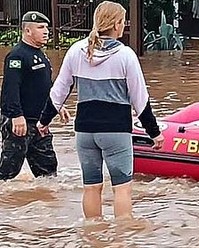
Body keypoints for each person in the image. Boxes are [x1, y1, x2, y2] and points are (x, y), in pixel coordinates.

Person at [38, 1, 164, 220]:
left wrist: (43, 121)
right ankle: (121, 238)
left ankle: (92, 236)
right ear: (116, 24)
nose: (123, 26)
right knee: (121, 189)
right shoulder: (125, 56)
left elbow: (59, 91)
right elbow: (140, 100)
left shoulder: (76, 50)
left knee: (91, 187)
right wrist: (155, 133)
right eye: (123, 22)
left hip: (85, 131)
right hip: (115, 131)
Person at [0, 11, 67, 180]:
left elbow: (44, 85)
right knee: (7, 173)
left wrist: (57, 104)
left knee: (49, 173)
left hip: (39, 123)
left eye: (46, 27)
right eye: (40, 27)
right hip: (20, 123)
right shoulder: (17, 56)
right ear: (27, 31)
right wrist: (16, 115)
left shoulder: (41, 55)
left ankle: (46, 205)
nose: (46, 31)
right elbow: (10, 88)